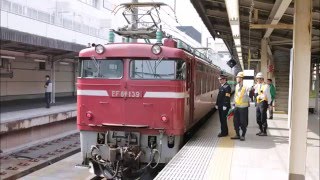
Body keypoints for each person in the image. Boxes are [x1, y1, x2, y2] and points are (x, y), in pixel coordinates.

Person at [231, 72, 250, 141]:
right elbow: (235, 96)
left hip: (243, 107)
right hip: (236, 107)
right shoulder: (236, 86)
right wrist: (233, 104)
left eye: (237, 77)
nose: (236, 79)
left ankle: (243, 135)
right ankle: (237, 134)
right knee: (235, 121)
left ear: (241, 79)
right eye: (236, 77)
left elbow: (249, 97)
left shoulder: (246, 87)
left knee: (243, 122)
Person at [215, 73, 231, 137]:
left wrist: (225, 105)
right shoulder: (221, 86)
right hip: (220, 106)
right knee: (221, 120)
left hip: (224, 106)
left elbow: (227, 96)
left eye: (221, 79)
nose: (219, 80)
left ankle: (224, 133)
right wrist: (216, 104)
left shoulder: (227, 87)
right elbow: (219, 96)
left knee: (223, 120)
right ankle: (225, 131)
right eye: (219, 79)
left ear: (224, 79)